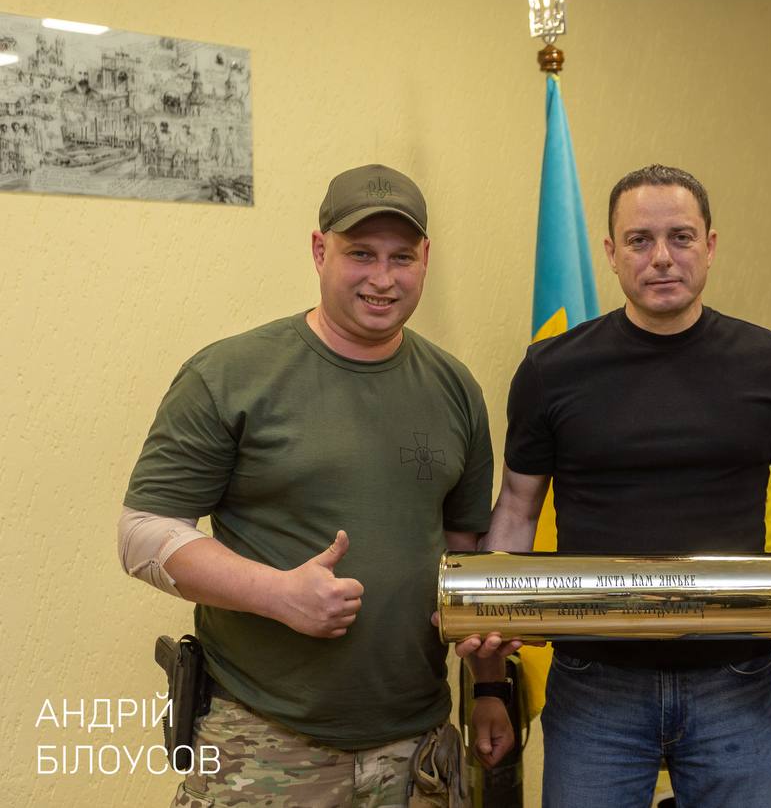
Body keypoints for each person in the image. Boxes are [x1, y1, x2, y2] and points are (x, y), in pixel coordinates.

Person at [467, 164, 771, 807]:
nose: (661, 257)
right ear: (611, 253)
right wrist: (491, 669)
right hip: (595, 683)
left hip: (734, 679)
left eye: (681, 237)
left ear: (709, 246)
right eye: (640, 240)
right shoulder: (552, 370)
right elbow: (518, 511)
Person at [118, 164, 493, 807]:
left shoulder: (455, 387)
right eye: (360, 254)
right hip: (265, 744)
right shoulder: (230, 375)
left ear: (426, 259)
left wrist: (488, 687)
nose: (383, 278)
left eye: (402, 257)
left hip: (419, 752)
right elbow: (141, 535)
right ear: (320, 251)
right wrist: (278, 594)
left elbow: (466, 558)